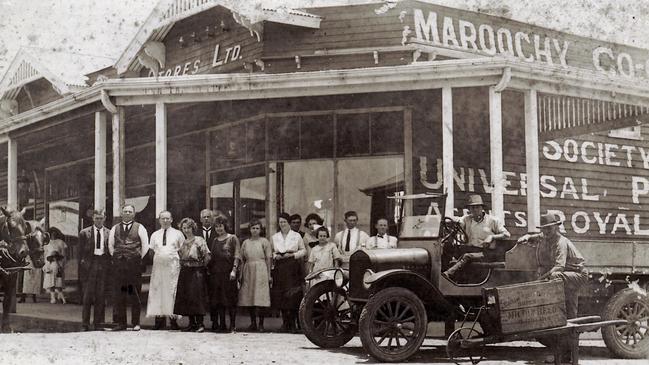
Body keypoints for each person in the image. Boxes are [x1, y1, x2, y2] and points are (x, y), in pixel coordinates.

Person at [518, 212, 588, 363]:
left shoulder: (560, 242)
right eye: (544, 229)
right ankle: (562, 353)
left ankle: (568, 356)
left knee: (569, 313)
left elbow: (559, 268)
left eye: (549, 228)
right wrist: (527, 237)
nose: (546, 231)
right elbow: (538, 236)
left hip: (576, 275)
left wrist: (540, 280)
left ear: (556, 227)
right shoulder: (546, 236)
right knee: (561, 313)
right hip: (566, 276)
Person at [442, 194, 510, 280]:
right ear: (469, 209)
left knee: (467, 256)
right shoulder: (466, 219)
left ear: (482, 208)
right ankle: (441, 272)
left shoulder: (493, 221)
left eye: (477, 207)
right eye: (472, 208)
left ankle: (448, 275)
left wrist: (492, 237)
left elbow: (507, 234)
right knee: (447, 247)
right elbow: (457, 223)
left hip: (486, 253)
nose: (474, 210)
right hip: (469, 249)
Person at [108, 204, 149, 331]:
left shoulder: (140, 227)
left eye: (129, 211)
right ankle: (122, 323)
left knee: (134, 294)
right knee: (120, 295)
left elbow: (145, 246)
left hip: (133, 267)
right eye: (125, 211)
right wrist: (117, 256)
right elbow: (110, 245)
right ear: (121, 214)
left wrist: (136, 258)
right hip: (119, 267)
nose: (127, 213)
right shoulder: (115, 228)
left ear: (134, 214)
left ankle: (135, 323)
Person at [147, 211, 184, 330]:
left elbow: (182, 250)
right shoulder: (154, 235)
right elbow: (151, 251)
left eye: (168, 218)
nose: (165, 221)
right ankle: (159, 321)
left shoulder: (178, 234)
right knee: (158, 292)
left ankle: (173, 321)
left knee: (171, 291)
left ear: (172, 219)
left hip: (173, 268)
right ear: (159, 220)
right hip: (158, 268)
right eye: (163, 218)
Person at [174, 217, 211, 333]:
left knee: (197, 297)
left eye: (188, 227)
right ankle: (191, 323)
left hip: (197, 271)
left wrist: (201, 267)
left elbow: (207, 256)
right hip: (185, 271)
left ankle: (200, 324)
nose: (186, 230)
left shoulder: (199, 240)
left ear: (193, 228)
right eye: (184, 228)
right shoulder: (183, 242)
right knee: (187, 297)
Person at [271, 212, 306, 333]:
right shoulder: (275, 237)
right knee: (281, 295)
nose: (282, 224)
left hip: (292, 266)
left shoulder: (296, 236)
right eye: (280, 222)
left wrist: (292, 255)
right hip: (280, 267)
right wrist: (276, 256)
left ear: (289, 223)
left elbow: (303, 251)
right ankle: (285, 323)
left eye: (284, 222)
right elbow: (272, 252)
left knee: (293, 295)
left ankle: (294, 324)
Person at [206, 216, 240, 332]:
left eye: (220, 226)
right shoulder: (215, 241)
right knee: (219, 300)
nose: (219, 229)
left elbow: (237, 255)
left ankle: (233, 325)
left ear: (225, 226)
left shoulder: (232, 238)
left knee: (230, 300)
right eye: (216, 226)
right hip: (216, 274)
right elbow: (212, 258)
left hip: (228, 274)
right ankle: (222, 325)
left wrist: (234, 270)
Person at [237, 219, 272, 332]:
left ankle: (261, 324)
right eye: (253, 228)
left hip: (261, 269)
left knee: (260, 297)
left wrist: (269, 274)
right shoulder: (246, 242)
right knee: (249, 297)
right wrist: (241, 274)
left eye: (257, 228)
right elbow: (242, 259)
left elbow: (268, 259)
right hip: (249, 269)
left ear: (260, 230)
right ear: (250, 229)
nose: (255, 230)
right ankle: (253, 323)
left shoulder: (264, 242)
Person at [78, 210, 110, 331]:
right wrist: (82, 271)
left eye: (101, 218)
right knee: (87, 297)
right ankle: (85, 324)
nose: (99, 220)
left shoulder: (109, 232)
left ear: (105, 218)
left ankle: (99, 323)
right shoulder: (84, 233)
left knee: (100, 296)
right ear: (93, 218)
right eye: (96, 218)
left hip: (103, 265)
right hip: (89, 267)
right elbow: (80, 254)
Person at [42, 228, 67, 304]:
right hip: (50, 263)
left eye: (55, 233)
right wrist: (47, 264)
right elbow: (45, 254)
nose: (53, 235)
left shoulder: (60, 242)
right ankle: (52, 297)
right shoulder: (47, 243)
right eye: (51, 233)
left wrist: (60, 263)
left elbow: (64, 254)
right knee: (50, 281)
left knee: (58, 281)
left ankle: (61, 296)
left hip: (58, 263)